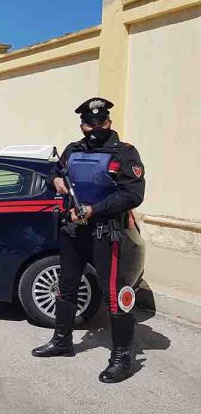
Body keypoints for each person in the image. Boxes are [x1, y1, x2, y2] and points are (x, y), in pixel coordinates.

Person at [31, 97, 146, 383]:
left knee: (115, 294)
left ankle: (122, 358)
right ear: (82, 125)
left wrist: (95, 210)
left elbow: (133, 194)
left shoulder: (125, 153)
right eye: (89, 124)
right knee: (66, 288)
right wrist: (55, 181)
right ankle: (62, 341)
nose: (95, 128)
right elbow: (55, 174)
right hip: (73, 230)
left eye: (101, 122)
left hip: (107, 233)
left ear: (109, 122)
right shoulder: (73, 149)